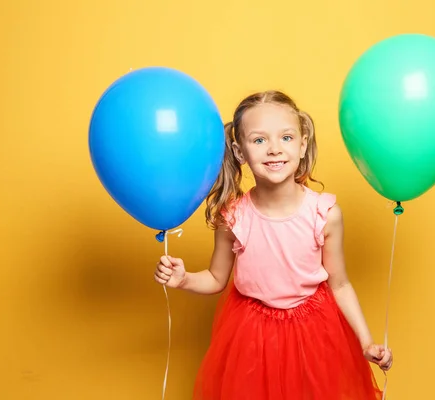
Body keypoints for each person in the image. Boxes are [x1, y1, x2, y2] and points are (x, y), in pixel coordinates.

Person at [154, 90, 392, 400]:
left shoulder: (324, 214)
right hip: (252, 337)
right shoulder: (234, 218)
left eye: (286, 138)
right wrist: (183, 278)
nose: (274, 150)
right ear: (240, 152)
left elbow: (341, 284)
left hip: (316, 333)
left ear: (303, 144)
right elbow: (215, 279)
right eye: (259, 140)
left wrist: (365, 342)